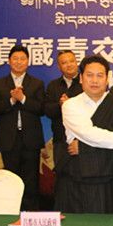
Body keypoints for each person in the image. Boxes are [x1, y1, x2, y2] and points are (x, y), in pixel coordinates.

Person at [59, 55, 113, 213]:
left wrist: (84, 148)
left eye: (100, 75)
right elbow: (88, 133)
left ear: (107, 79)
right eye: (89, 75)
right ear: (81, 78)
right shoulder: (70, 105)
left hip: (112, 180)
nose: (94, 80)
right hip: (78, 179)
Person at [0, 45, 45, 211]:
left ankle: (32, 215)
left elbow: (41, 109)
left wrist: (23, 98)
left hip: (31, 139)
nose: (19, 62)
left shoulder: (37, 83)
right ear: (9, 61)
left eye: (22, 59)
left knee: (31, 180)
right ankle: (12, 212)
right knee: (11, 178)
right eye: (15, 59)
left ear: (28, 62)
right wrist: (11, 101)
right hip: (9, 139)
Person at [44, 50, 83, 191]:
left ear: (77, 62)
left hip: (83, 140)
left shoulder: (86, 83)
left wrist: (71, 104)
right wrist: (60, 105)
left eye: (71, 61)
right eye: (64, 62)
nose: (69, 65)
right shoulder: (53, 85)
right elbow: (47, 110)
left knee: (82, 177)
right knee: (62, 178)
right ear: (59, 66)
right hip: (60, 140)